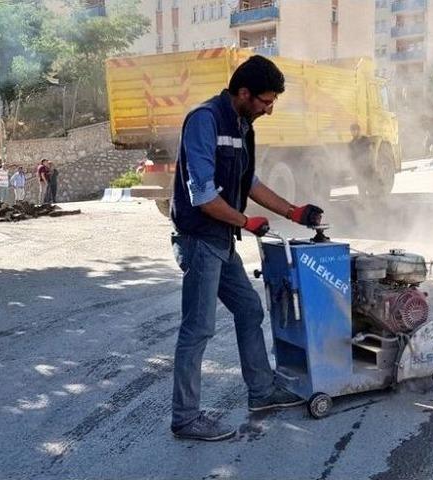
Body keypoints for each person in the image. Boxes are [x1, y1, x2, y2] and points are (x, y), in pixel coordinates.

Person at [169, 55, 324, 442]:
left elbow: (248, 180)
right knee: (198, 328)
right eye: (265, 102)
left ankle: (262, 392)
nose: (269, 110)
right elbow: (203, 196)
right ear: (243, 92)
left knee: (249, 309)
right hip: (200, 239)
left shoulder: (242, 124)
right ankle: (185, 419)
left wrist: (294, 211)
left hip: (219, 240)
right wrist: (246, 222)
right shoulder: (204, 120)